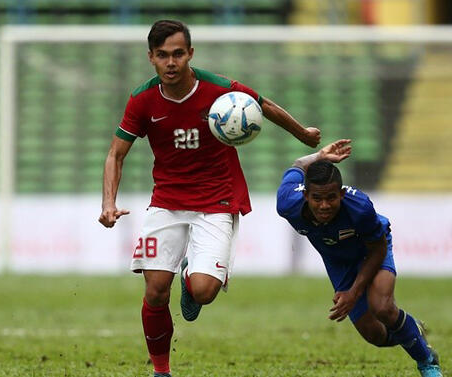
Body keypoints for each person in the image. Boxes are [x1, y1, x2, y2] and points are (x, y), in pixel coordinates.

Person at [98, 20, 320, 377]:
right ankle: (161, 371)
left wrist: (304, 135)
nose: (171, 63)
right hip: (167, 201)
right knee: (155, 290)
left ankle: (190, 278)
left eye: (178, 54)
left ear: (190, 54)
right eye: (162, 56)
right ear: (151, 58)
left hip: (216, 200)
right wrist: (108, 203)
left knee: (203, 292)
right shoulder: (143, 99)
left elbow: (263, 105)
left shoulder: (220, 90)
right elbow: (115, 154)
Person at [276, 139, 443, 377]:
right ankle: (411, 330)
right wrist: (319, 155)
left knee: (382, 308)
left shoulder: (360, 207)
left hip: (371, 251)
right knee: (375, 335)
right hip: (338, 262)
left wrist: (354, 293)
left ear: (342, 194)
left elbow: (378, 249)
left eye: (331, 198)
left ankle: (427, 362)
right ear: (305, 196)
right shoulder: (287, 203)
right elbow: (298, 164)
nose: (324, 205)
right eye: (317, 199)